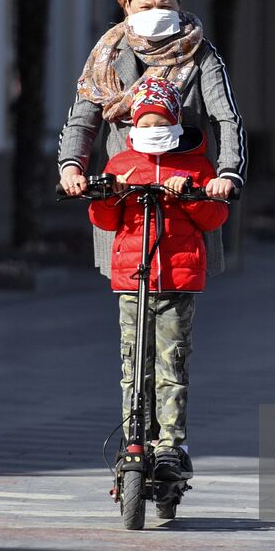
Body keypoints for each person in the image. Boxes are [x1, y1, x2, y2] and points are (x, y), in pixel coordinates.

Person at [58, 0, 247, 274]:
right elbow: (82, 119)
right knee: (130, 307)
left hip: (184, 194)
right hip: (124, 193)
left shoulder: (200, 53)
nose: (157, 13)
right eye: (146, 7)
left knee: (178, 300)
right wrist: (71, 169)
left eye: (166, 6)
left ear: (179, 6)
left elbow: (225, 118)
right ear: (127, 6)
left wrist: (227, 174)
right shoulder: (107, 56)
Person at [86, 78, 228, 481]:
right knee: (134, 365)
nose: (151, 130)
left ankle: (171, 445)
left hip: (177, 281)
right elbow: (105, 220)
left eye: (159, 122)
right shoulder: (122, 163)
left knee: (171, 363)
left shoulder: (194, 165)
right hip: (133, 280)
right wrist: (107, 193)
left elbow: (214, 217)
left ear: (175, 121)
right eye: (143, 123)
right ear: (132, 125)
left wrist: (194, 194)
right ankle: (136, 438)